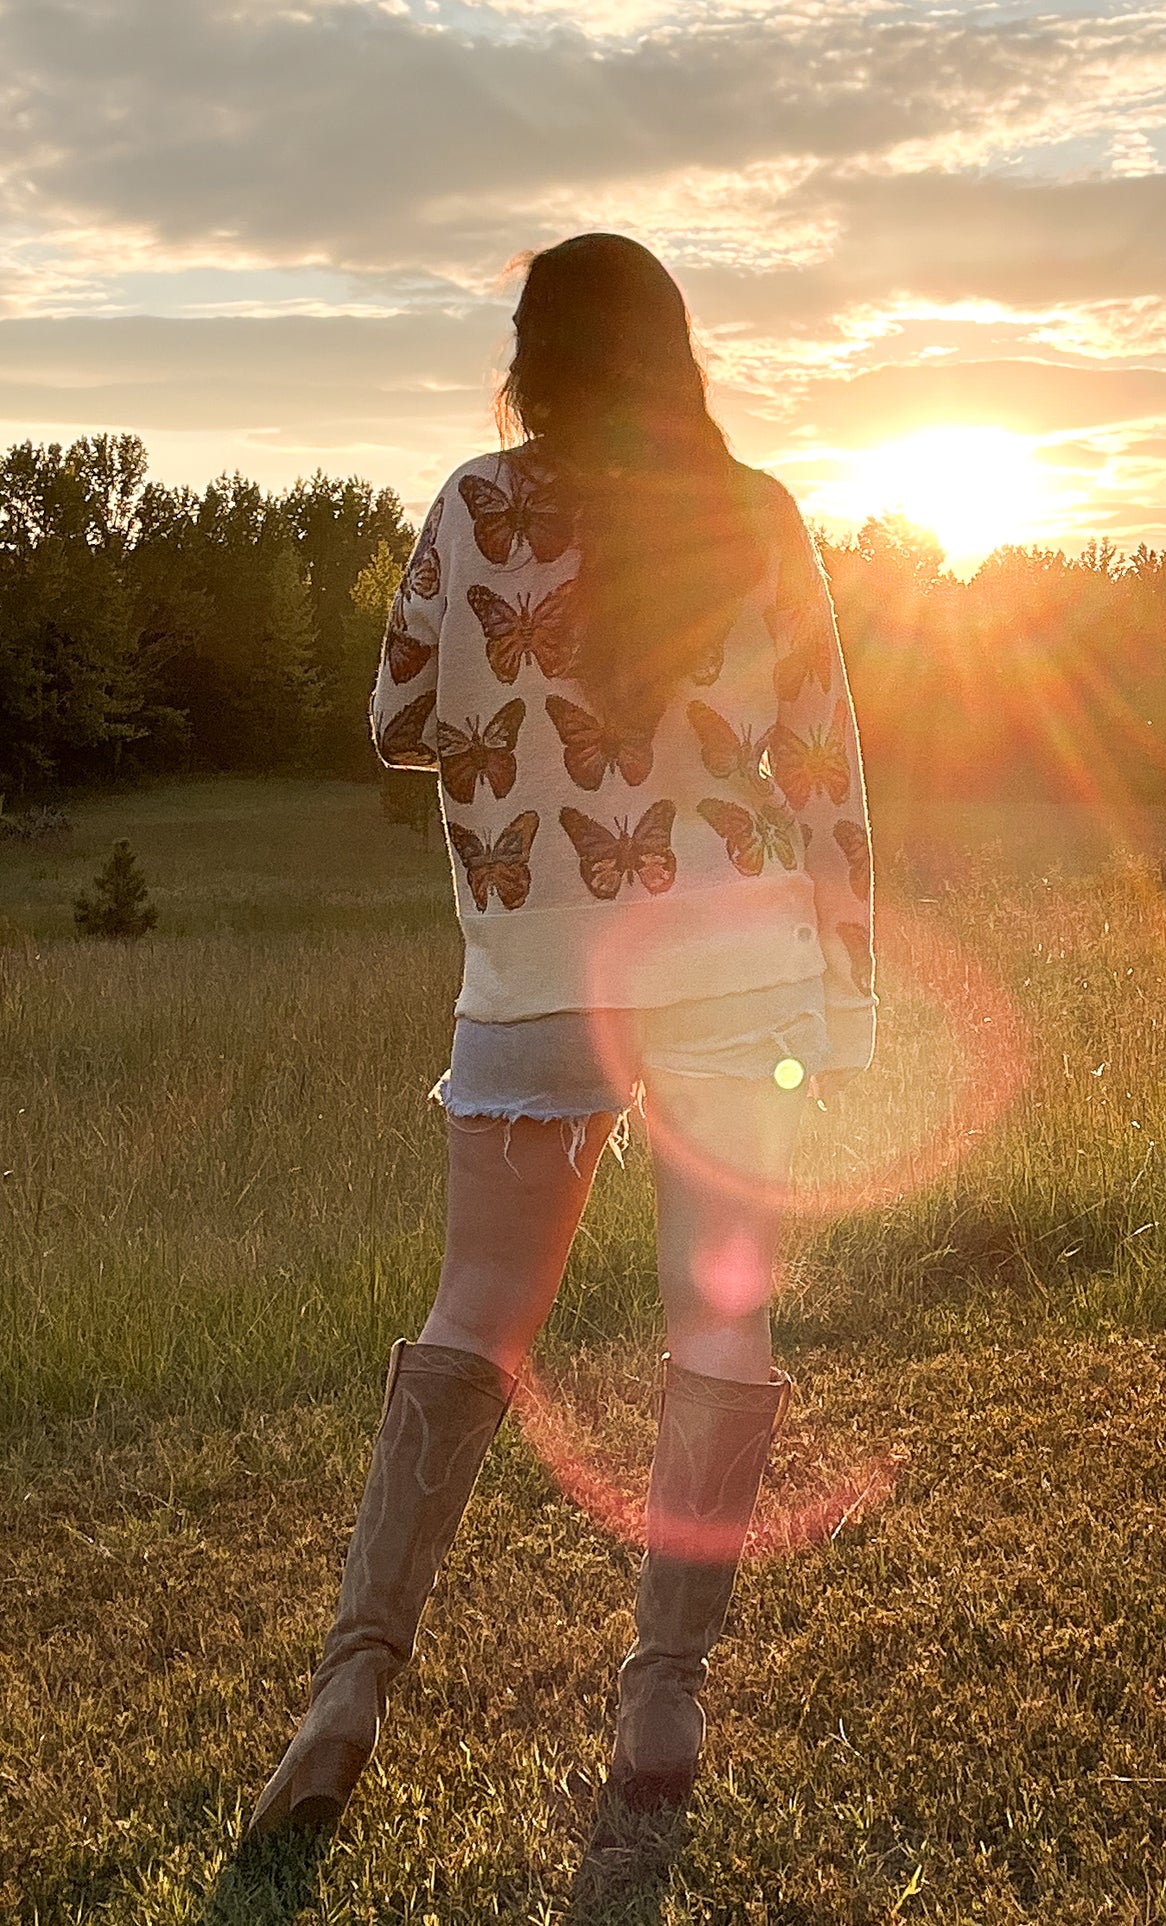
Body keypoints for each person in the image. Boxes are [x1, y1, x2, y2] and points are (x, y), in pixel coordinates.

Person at [248, 232, 876, 1842]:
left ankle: (352, 1686)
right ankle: (662, 1691)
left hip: (537, 966)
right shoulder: (760, 518)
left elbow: (399, 722)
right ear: (675, 354)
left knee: (475, 1309)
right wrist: (849, 988)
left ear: (534, 354)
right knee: (716, 1321)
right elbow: (824, 766)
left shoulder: (474, 504)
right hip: (740, 967)